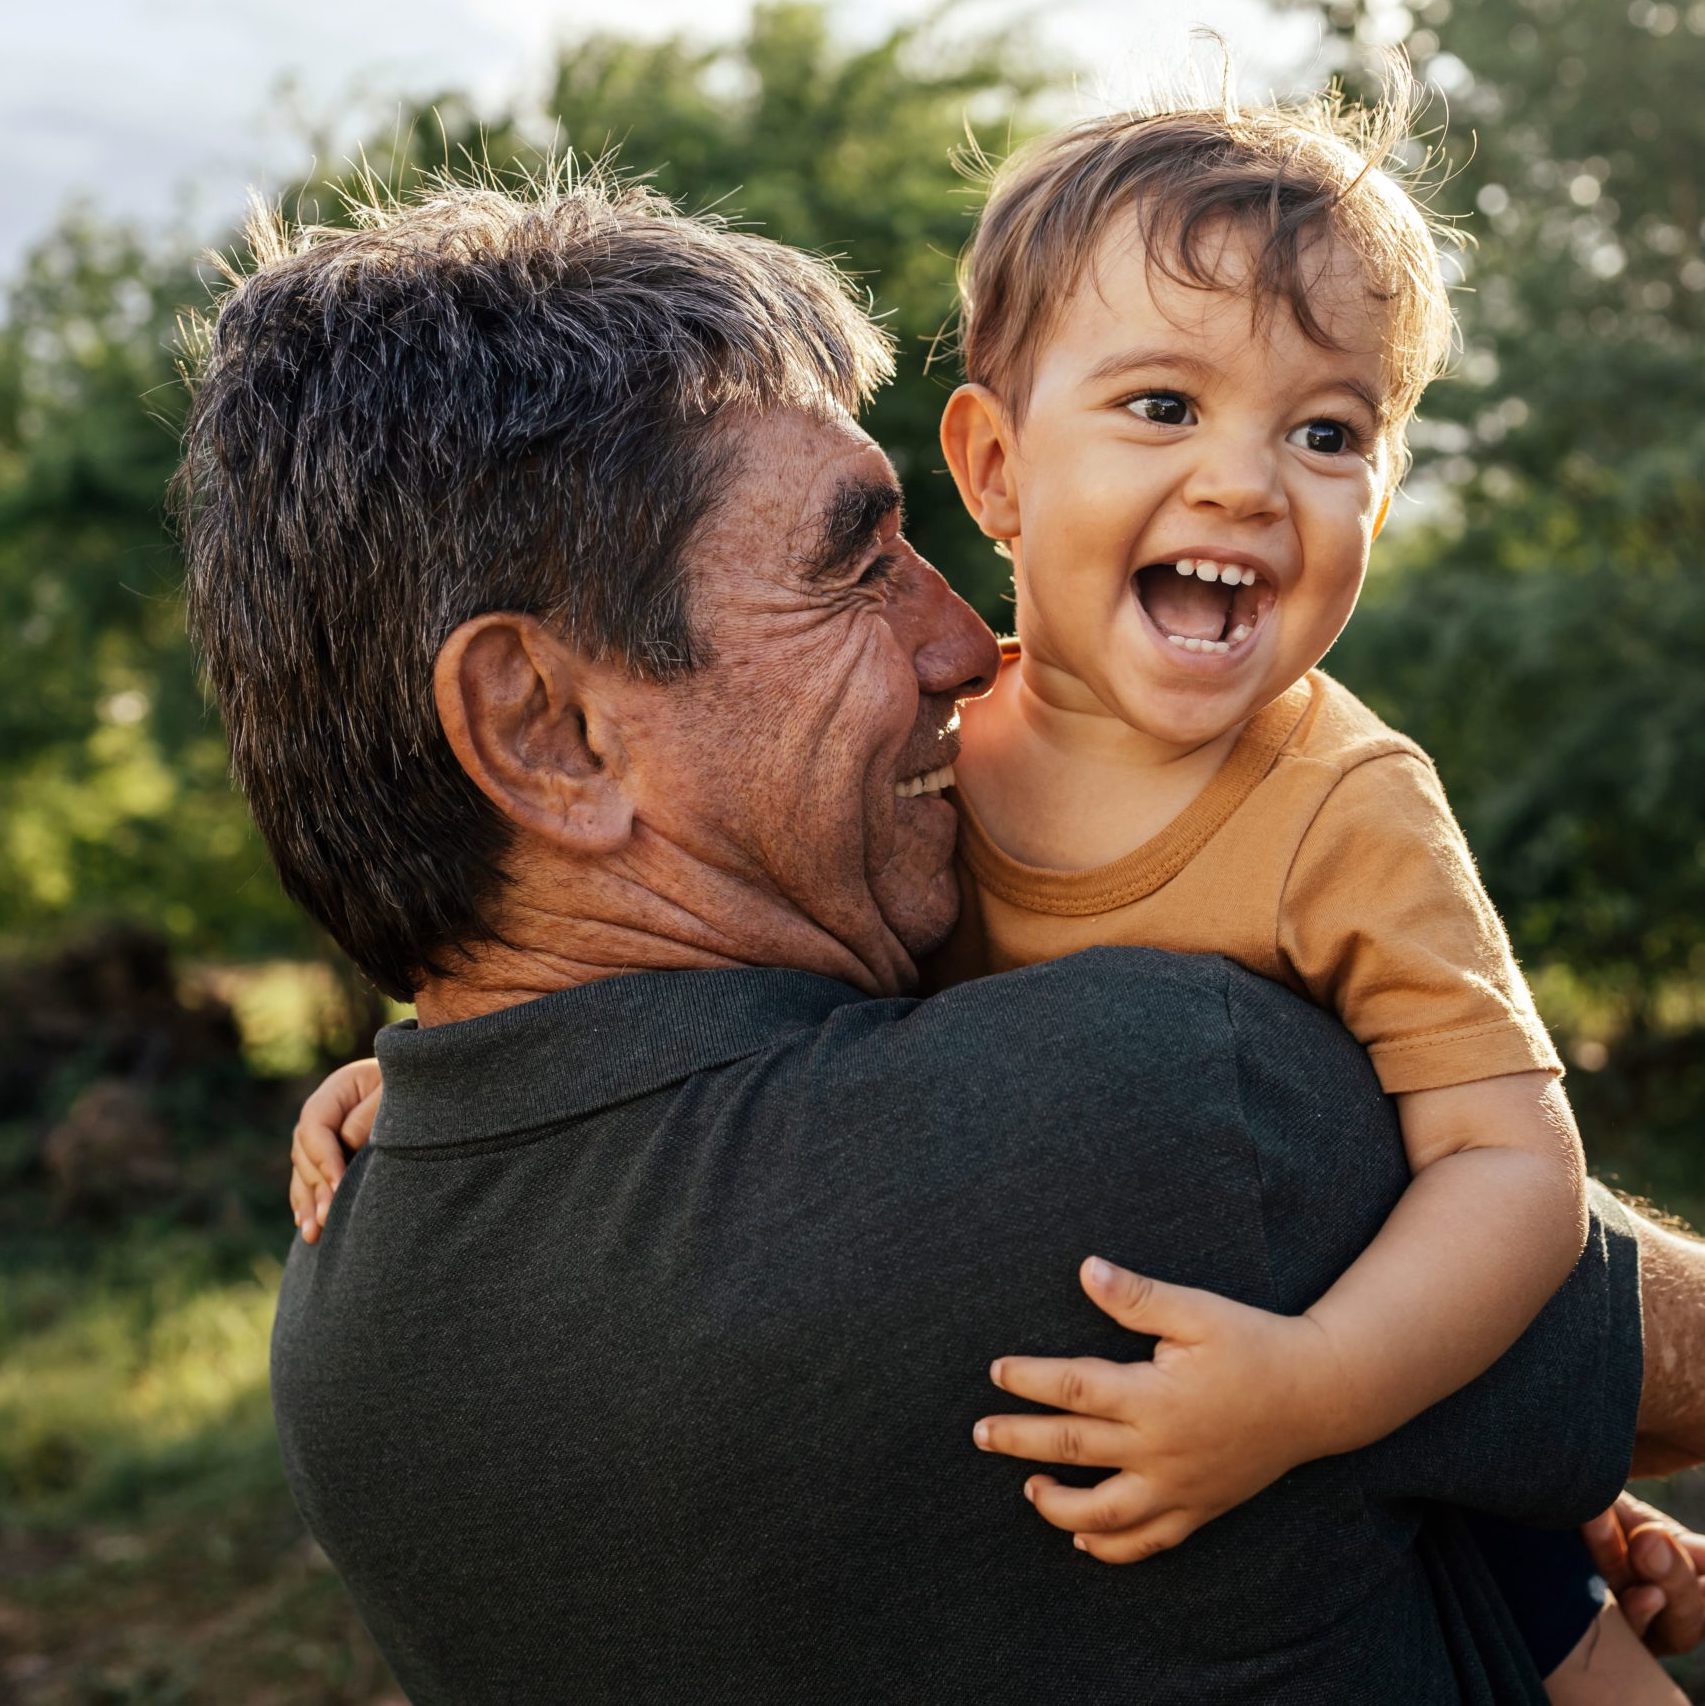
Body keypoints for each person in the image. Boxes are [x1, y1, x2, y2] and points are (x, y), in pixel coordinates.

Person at [185, 176, 1703, 1704]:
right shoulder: (1159, 1096)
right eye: (850, 567)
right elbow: (1669, 1353)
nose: (964, 644)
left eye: (1326, 433)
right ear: (548, 728)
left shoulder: (343, 1330)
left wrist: (415, 1077)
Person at [915, 87, 1668, 1697]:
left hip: (1365, 1423)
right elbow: (714, 982)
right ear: (992, 467)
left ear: (1377, 500)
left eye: (1324, 433)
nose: (1248, 484)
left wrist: (1316, 1386)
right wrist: (423, 1067)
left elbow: (1510, 1169)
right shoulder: (909, 762)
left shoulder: (1344, 803)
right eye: (1162, 405)